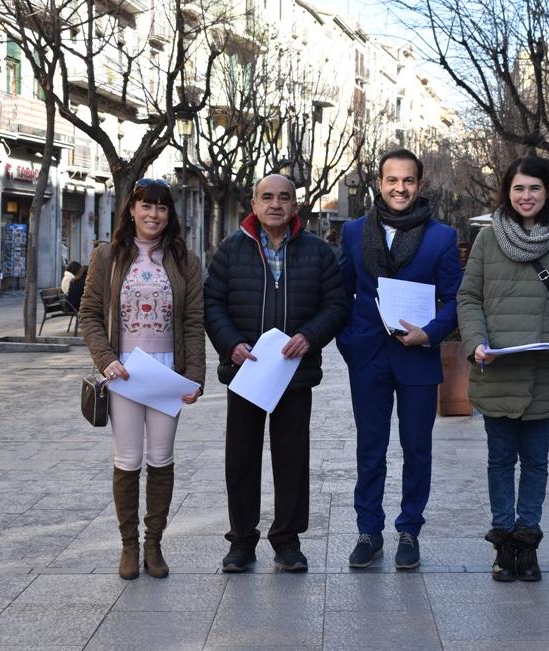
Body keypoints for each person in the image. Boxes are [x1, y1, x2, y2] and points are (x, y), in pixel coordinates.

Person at [456, 156, 549, 582]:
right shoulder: (486, 240)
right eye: (519, 188)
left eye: (535, 188)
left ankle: (527, 542)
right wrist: (476, 341)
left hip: (546, 370)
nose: (526, 196)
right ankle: (503, 544)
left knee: (535, 461)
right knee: (500, 460)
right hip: (497, 370)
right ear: (508, 191)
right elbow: (469, 299)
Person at [204, 173, 348, 573]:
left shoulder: (318, 253)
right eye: (266, 197)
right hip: (246, 371)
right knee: (242, 458)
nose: (275, 204)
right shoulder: (231, 250)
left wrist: (309, 336)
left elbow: (336, 305)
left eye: (284, 197)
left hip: (294, 374)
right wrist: (230, 343)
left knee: (292, 458)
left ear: (295, 206)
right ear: (253, 204)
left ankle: (287, 540)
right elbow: (212, 303)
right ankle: (242, 541)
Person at [338, 148, 463, 569]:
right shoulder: (354, 232)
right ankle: (368, 531)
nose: (400, 188)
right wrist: (347, 342)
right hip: (369, 354)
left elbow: (455, 298)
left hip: (418, 356)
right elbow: (340, 292)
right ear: (379, 183)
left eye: (408, 181)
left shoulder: (442, 237)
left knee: (417, 448)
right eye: (392, 180)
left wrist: (431, 332)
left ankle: (409, 529)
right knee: (369, 449)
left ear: (420, 185)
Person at [79, 178, 205, 580]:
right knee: (128, 460)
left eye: (162, 208)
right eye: (145, 206)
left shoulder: (186, 259)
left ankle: (154, 543)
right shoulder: (108, 257)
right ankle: (129, 547)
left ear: (170, 214)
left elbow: (193, 322)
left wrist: (194, 377)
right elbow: (90, 314)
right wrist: (106, 360)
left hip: (167, 374)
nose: (153, 215)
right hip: (126, 374)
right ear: (131, 209)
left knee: (161, 458)